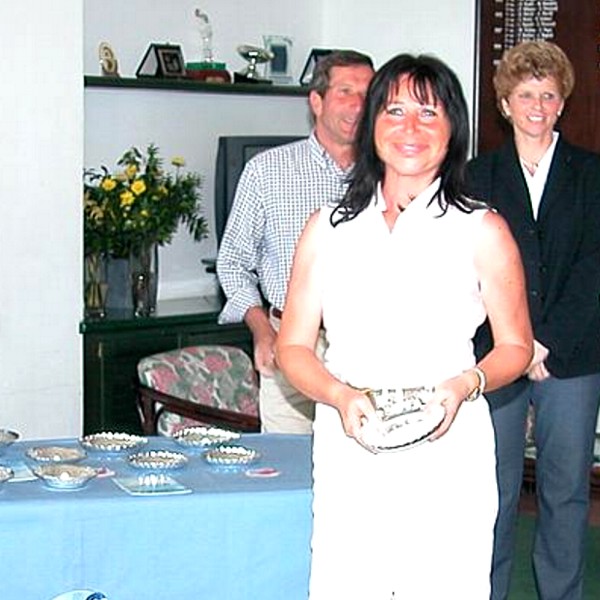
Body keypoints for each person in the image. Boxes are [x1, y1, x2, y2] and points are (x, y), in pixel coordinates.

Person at [275, 54, 533, 598]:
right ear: (371, 125)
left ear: (452, 129)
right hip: (350, 440)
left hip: (448, 441)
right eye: (394, 111)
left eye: (428, 113)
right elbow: (292, 347)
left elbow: (515, 345)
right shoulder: (328, 228)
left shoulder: (482, 228)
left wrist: (467, 384)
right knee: (347, 585)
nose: (410, 128)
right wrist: (339, 396)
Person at [465, 40, 600, 600]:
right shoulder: (476, 176)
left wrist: (545, 342)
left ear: (562, 103)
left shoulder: (592, 174)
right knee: (490, 492)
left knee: (564, 491)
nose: (537, 107)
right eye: (525, 95)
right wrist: (516, 342)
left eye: (548, 95)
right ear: (505, 104)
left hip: (572, 356)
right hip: (496, 355)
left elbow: (595, 267)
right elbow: (470, 269)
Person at [216, 49, 374, 434]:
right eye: (345, 92)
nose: (357, 105)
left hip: (366, 347)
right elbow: (233, 262)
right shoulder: (267, 170)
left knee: (364, 459)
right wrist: (262, 330)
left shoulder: (390, 173)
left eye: (367, 94)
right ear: (316, 101)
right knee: (289, 461)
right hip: (289, 342)